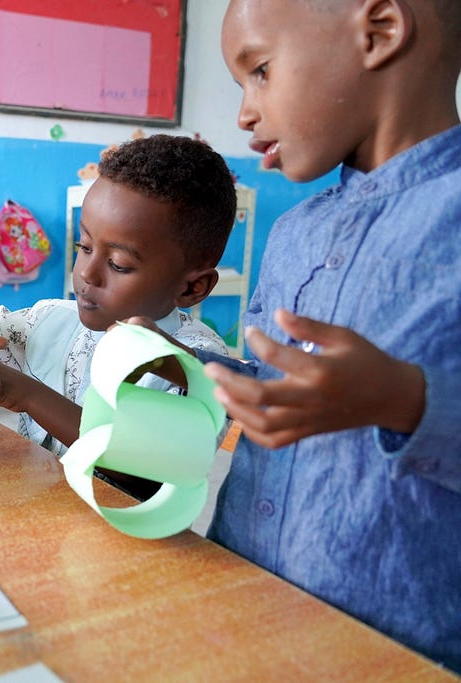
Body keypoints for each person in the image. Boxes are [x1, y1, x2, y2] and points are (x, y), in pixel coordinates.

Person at [137, 0, 459, 672]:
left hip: (394, 649)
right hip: (242, 597)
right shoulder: (293, 235)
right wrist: (191, 370)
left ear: (380, 32)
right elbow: (275, 390)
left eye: (260, 71)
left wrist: (405, 399)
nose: (244, 115)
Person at [0, 134, 236, 481]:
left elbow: (141, 467)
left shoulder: (199, 366)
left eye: (118, 264)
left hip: (125, 533)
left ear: (192, 287)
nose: (87, 273)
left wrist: (28, 395)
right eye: (84, 246)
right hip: (42, 518)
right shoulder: (55, 318)